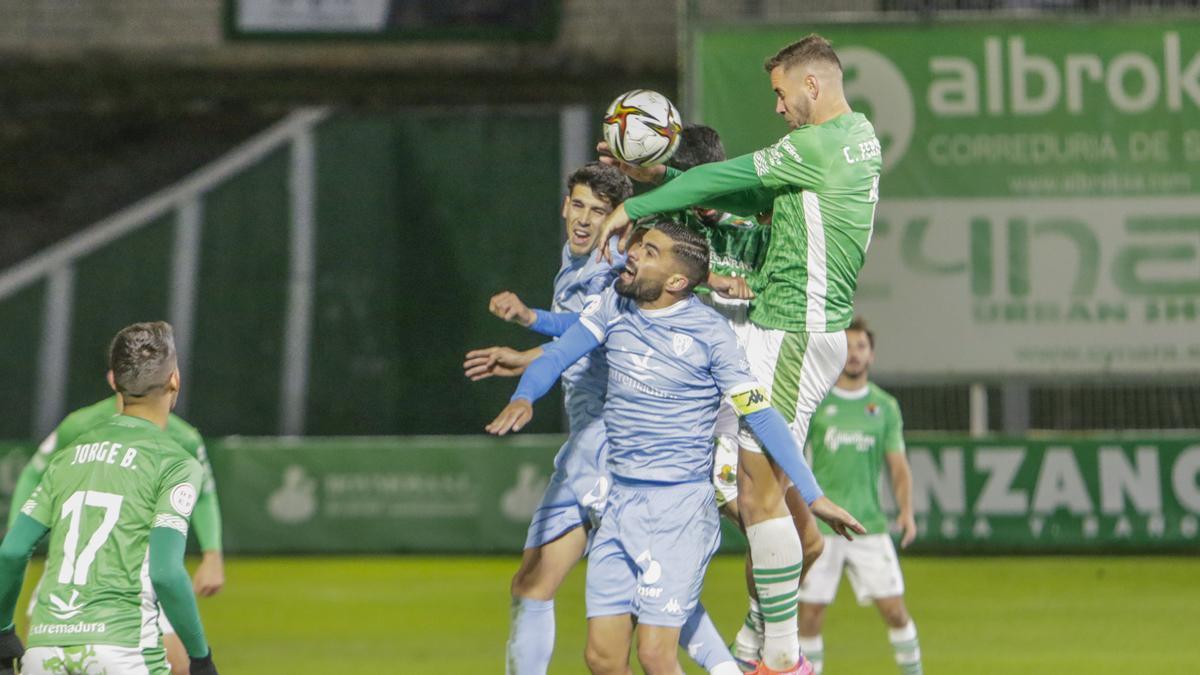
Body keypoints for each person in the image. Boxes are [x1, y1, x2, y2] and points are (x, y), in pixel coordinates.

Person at [595, 35, 882, 674]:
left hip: (790, 330)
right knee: (764, 498)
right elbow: (742, 196)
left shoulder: (815, 145)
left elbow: (729, 180)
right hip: (799, 332)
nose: (777, 107)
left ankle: (781, 660)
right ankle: (761, 645)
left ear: (812, 85)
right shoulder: (857, 137)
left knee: (757, 501)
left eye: (781, 93)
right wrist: (664, 177)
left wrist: (637, 205)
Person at [484, 221, 864, 675]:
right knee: (602, 658)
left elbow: (761, 415)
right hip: (619, 504)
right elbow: (558, 354)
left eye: (649, 252)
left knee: (655, 655)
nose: (632, 256)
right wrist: (524, 395)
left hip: (677, 512)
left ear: (677, 281)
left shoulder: (710, 334)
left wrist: (814, 495)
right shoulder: (613, 306)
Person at [470, 163, 740, 674]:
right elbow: (585, 338)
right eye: (579, 206)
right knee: (534, 583)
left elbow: (598, 319)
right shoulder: (573, 259)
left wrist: (530, 323)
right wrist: (528, 357)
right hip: (583, 447)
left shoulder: (612, 263)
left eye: (599, 212)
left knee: (653, 598)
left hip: (613, 446)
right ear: (564, 206)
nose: (585, 220)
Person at [0, 322, 217, 675]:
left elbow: (11, 550)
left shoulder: (68, 456)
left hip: (47, 647)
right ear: (174, 379)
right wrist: (201, 658)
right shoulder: (176, 462)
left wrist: (3, 631)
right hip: (123, 648)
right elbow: (165, 573)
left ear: (115, 381)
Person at [797, 318, 922, 675]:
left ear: (872, 354)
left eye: (861, 347)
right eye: (848, 347)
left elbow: (898, 467)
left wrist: (906, 511)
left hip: (869, 525)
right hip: (821, 529)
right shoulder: (816, 403)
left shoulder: (884, 406)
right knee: (810, 616)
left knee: (895, 611)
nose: (854, 355)